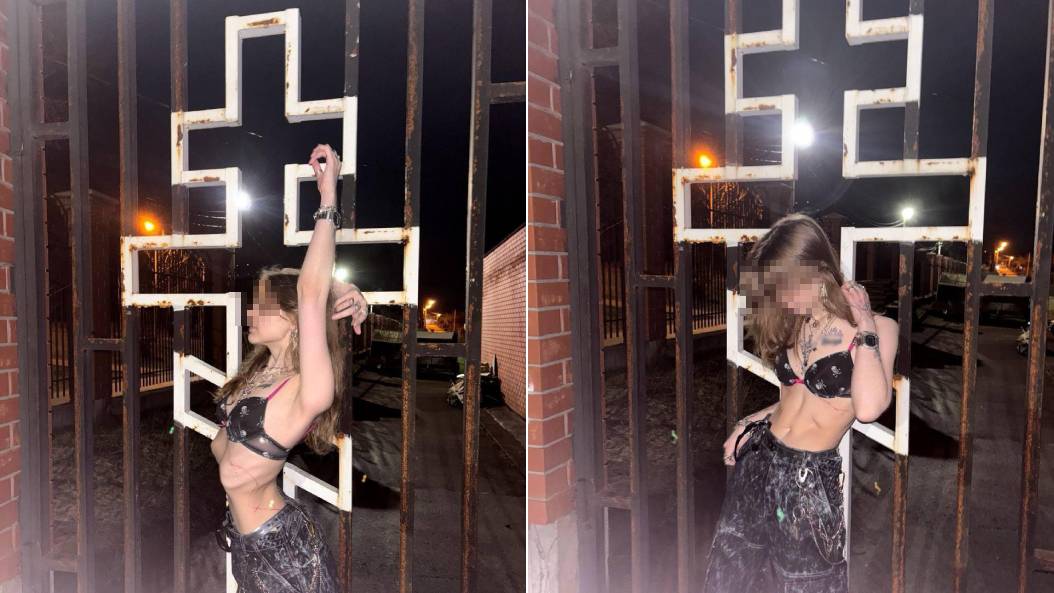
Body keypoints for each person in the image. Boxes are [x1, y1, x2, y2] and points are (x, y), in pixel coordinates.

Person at [701, 212, 899, 593]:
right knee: (730, 570)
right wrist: (750, 422)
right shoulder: (797, 321)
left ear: (818, 268)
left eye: (786, 285)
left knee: (804, 584)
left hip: (807, 483)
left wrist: (865, 323)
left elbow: (869, 407)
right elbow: (793, 400)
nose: (781, 298)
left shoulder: (877, 329)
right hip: (759, 460)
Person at [210, 144, 369, 593]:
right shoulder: (255, 378)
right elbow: (312, 293)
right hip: (247, 547)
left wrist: (328, 198)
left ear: (293, 317)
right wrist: (341, 287)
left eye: (262, 305)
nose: (250, 313)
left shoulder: (307, 387)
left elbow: (309, 293)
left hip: (287, 556)